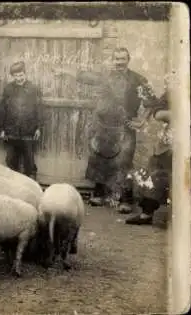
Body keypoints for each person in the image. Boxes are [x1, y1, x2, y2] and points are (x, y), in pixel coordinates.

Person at [55, 47, 159, 211]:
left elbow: (152, 102)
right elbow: (84, 77)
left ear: (128, 59)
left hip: (124, 128)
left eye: (122, 59)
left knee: (124, 163)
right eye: (116, 59)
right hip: (103, 127)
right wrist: (64, 71)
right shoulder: (105, 76)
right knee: (99, 158)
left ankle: (126, 200)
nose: (119, 62)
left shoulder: (138, 80)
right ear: (113, 60)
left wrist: (142, 122)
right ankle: (99, 195)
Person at [125, 89, 172, 225]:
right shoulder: (176, 86)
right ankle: (147, 213)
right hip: (173, 138)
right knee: (156, 168)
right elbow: (157, 108)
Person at [0, 61, 44, 179]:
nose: (19, 78)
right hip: (11, 131)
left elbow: (39, 108)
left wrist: (38, 128)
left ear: (25, 74)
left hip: (28, 130)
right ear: (13, 76)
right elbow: (3, 109)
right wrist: (2, 129)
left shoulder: (33, 89)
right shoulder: (8, 89)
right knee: (10, 160)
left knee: (29, 159)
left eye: (21, 75)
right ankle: (12, 184)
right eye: (16, 76)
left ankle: (31, 183)